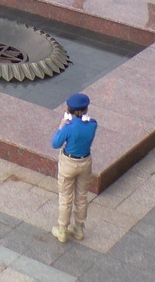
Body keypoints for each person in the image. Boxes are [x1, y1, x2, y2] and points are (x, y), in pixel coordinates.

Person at [50, 93, 97, 244]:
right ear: (85, 109)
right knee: (82, 196)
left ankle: (62, 230)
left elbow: (55, 143)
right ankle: (79, 229)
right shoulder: (92, 124)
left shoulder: (68, 127)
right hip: (85, 162)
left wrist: (61, 126)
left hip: (68, 163)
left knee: (65, 197)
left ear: (69, 110)